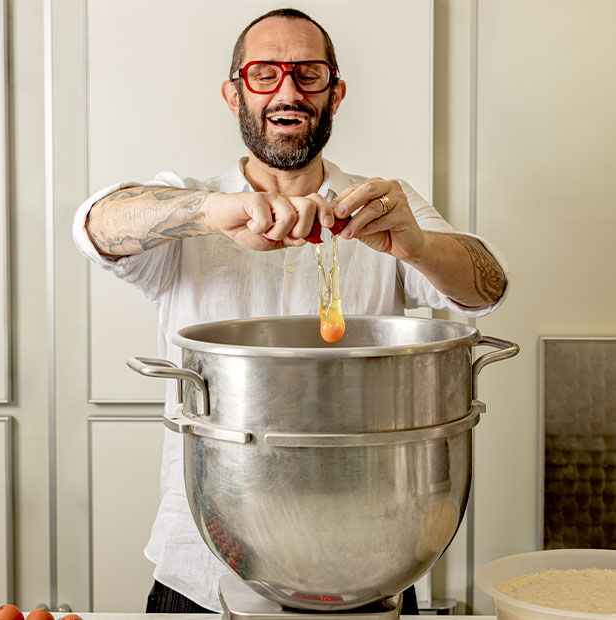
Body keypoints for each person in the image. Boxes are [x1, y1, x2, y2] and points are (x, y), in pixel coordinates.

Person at [73, 7, 508, 614]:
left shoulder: (385, 205)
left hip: (369, 558)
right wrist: (211, 212)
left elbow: (485, 289)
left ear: (336, 93)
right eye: (264, 74)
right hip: (204, 562)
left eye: (309, 74)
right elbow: (96, 225)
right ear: (233, 94)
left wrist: (419, 245)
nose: (288, 90)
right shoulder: (192, 203)